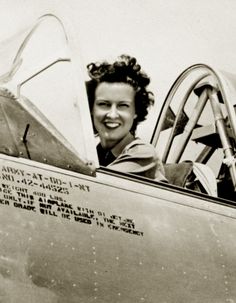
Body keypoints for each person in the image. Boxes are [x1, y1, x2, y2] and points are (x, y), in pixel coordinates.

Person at [86, 54, 166, 182]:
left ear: (135, 111)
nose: (112, 114)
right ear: (91, 109)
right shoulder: (98, 154)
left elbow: (92, 183)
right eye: (104, 104)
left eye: (123, 106)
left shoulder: (143, 154)